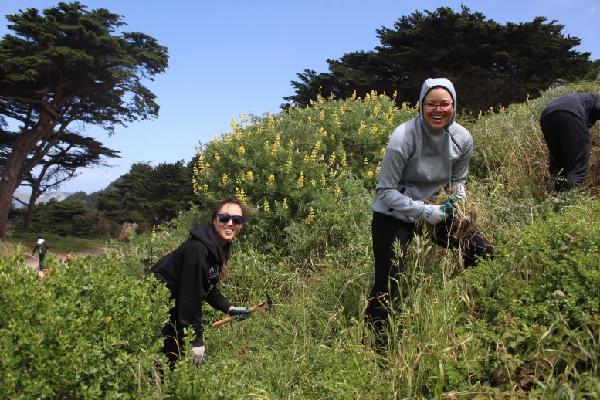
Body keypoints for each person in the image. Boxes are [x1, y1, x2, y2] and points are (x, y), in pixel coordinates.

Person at [366, 78, 493, 347]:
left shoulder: (462, 138)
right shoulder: (403, 137)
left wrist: (456, 200)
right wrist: (425, 210)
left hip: (436, 208)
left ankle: (479, 310)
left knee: (481, 249)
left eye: (444, 104)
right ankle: (379, 346)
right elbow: (384, 190)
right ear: (421, 105)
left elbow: (458, 180)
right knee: (388, 281)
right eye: (431, 104)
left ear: (454, 105)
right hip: (394, 213)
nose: (438, 110)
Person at [151, 197, 252, 366]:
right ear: (214, 220)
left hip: (177, 297)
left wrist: (229, 308)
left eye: (237, 219)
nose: (230, 223)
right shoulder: (199, 249)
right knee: (168, 353)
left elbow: (208, 285)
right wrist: (197, 340)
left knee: (177, 353)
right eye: (224, 218)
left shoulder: (220, 245)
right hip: (158, 296)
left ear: (241, 224)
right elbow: (191, 295)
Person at [539, 93, 600, 192]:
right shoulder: (596, 97)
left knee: (560, 164)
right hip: (571, 113)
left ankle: (558, 199)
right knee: (577, 167)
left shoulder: (582, 98)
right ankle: (569, 204)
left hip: (547, 116)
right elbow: (598, 107)